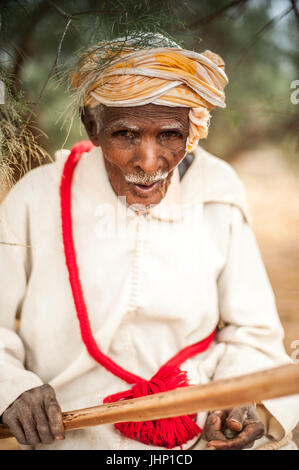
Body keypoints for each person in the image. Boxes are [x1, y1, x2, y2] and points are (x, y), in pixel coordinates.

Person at [0, 34, 298, 451]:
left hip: (199, 434)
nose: (148, 161)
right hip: (73, 436)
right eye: (125, 134)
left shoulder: (217, 188)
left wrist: (238, 405)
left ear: (191, 131)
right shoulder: (36, 196)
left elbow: (252, 332)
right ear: (93, 128)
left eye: (169, 136)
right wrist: (11, 385)